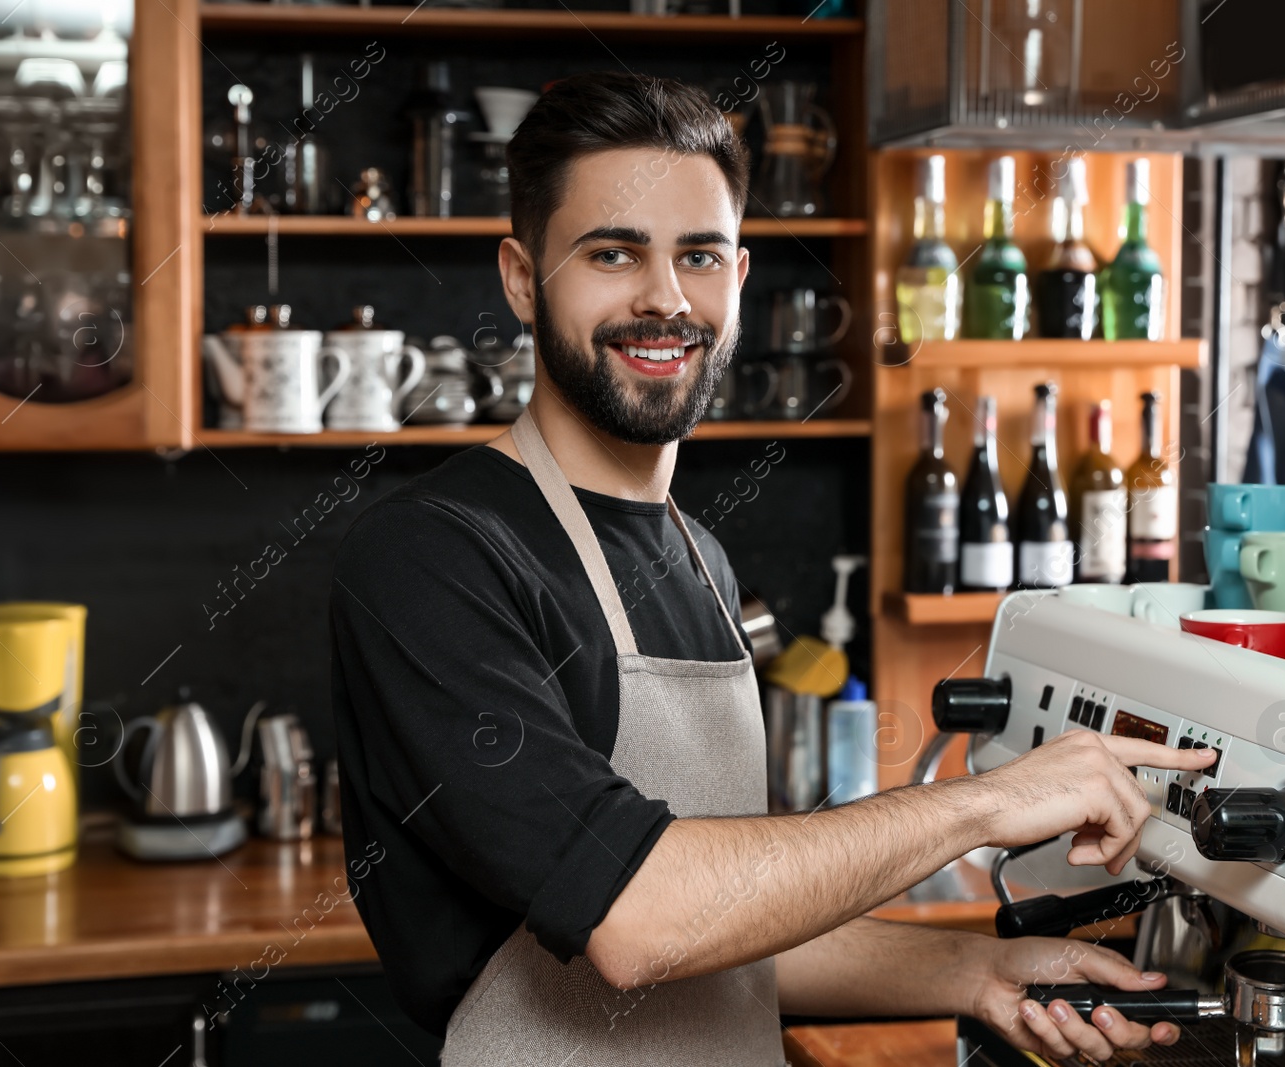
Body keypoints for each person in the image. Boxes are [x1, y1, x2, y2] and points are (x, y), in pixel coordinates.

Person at [328, 70, 1216, 1066]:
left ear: (738, 281)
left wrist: (968, 973)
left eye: (696, 255)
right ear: (521, 277)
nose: (665, 298)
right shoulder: (434, 557)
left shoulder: (699, 558)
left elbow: (728, 922)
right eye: (613, 253)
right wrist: (983, 805)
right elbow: (638, 915)